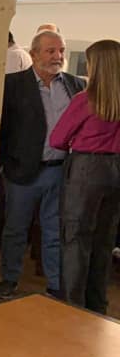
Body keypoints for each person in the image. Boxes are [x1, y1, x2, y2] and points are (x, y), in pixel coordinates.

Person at [0, 30, 85, 300]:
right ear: (33, 54)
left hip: (60, 170)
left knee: (54, 230)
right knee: (15, 229)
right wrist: (2, 166)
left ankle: (55, 285)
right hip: (22, 171)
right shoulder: (13, 85)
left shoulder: (74, 85)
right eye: (50, 51)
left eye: (61, 50)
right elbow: (2, 128)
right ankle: (9, 279)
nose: (58, 56)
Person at [50, 40, 120, 314]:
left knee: (75, 239)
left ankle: (72, 307)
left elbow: (57, 138)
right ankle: (97, 305)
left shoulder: (85, 100)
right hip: (116, 170)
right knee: (104, 240)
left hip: (86, 169)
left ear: (96, 66)